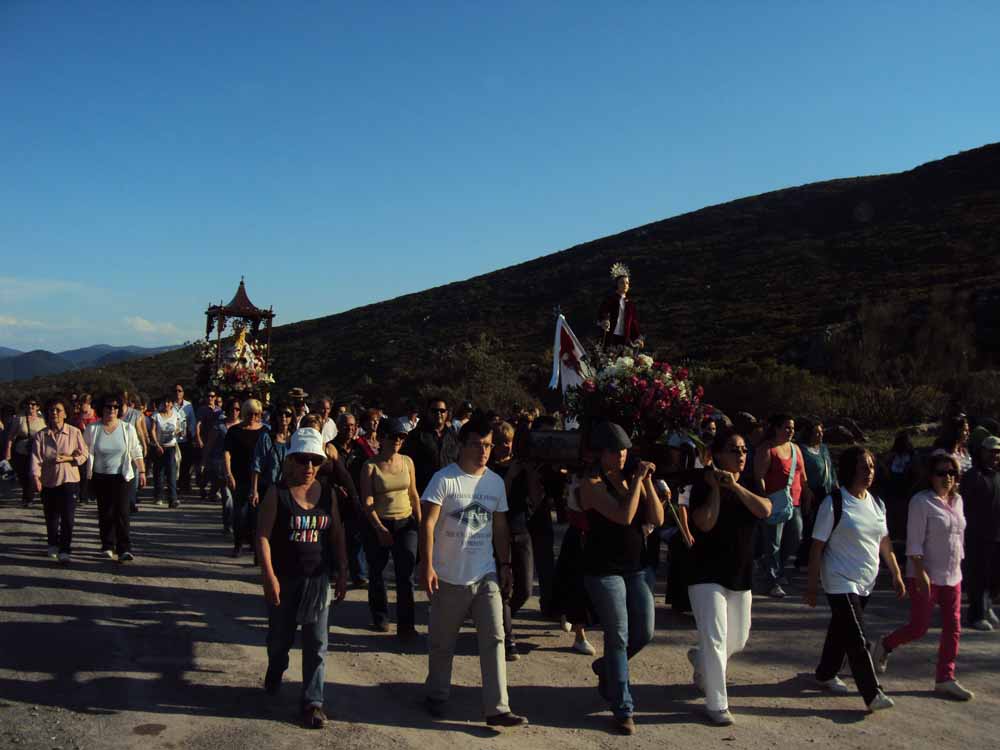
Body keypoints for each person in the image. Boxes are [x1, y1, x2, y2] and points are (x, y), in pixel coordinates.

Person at [420, 417, 528, 729]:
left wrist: (505, 565)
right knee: (443, 642)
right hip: (449, 575)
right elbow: (427, 524)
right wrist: (426, 565)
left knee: (495, 637)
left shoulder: (494, 482)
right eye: (477, 444)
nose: (484, 451)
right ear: (462, 445)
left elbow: (499, 525)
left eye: (488, 445)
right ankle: (437, 694)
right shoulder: (444, 479)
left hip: (485, 574)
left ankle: (497, 707)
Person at [255, 427, 348, 729]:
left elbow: (336, 534)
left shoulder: (328, 493)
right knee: (280, 640)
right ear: (291, 460)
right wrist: (269, 576)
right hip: (285, 579)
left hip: (318, 580)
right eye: (303, 459)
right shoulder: (277, 493)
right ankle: (276, 666)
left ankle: (312, 702)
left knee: (317, 643)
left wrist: (343, 571)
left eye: (315, 461)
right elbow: (263, 536)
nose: (309, 467)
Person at [805, 446, 905, 712]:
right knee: (858, 638)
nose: (869, 471)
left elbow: (884, 542)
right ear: (850, 469)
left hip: (865, 581)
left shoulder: (876, 503)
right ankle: (872, 693)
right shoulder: (834, 502)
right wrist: (812, 584)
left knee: (841, 630)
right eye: (863, 466)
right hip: (839, 579)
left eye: (871, 466)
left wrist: (895, 573)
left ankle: (825, 673)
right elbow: (816, 546)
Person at [579, 421, 663, 735]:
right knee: (618, 635)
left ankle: (607, 669)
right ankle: (623, 706)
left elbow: (656, 517)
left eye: (625, 450)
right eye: (616, 451)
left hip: (637, 566)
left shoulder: (633, 478)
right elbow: (623, 516)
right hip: (603, 570)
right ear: (601, 454)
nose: (623, 456)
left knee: (645, 632)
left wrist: (648, 484)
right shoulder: (591, 482)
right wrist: (638, 480)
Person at [871, 451, 973, 700]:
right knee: (919, 627)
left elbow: (959, 537)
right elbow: (914, 542)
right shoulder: (921, 502)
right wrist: (919, 572)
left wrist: (962, 566)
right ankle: (885, 645)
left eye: (952, 473)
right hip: (924, 574)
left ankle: (945, 678)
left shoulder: (957, 501)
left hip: (953, 575)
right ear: (930, 476)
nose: (947, 478)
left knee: (953, 628)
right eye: (941, 473)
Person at [687, 429, 772, 726]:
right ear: (718, 454)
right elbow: (704, 523)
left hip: (740, 572)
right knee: (716, 638)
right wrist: (716, 490)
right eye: (734, 450)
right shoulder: (702, 483)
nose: (741, 455)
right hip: (705, 572)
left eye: (744, 450)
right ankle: (717, 704)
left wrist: (735, 488)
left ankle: (702, 663)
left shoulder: (750, 482)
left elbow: (765, 510)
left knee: (738, 639)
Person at [359, 418, 421, 635]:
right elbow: (367, 501)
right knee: (377, 573)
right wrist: (379, 528)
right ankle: (380, 616)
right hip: (379, 523)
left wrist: (420, 524)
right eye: (394, 436)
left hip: (405, 523)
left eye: (402, 437)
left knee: (406, 575)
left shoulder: (408, 462)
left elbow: (413, 494)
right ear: (382, 438)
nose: (398, 441)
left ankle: (407, 625)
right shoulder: (370, 466)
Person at [492, 421, 537, 660]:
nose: (503, 448)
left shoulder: (520, 466)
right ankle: (508, 640)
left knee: (526, 590)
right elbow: (497, 500)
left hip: (521, 530)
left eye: (507, 443)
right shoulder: (489, 469)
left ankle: (499, 616)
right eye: (498, 443)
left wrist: (529, 473)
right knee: (504, 590)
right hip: (499, 533)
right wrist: (509, 477)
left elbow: (537, 499)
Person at [83, 394, 145, 562]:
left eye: (115, 407)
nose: (112, 410)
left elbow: (136, 450)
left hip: (122, 476)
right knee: (105, 512)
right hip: (100, 476)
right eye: (108, 407)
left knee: (123, 512)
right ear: (101, 409)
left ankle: (124, 548)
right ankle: (107, 545)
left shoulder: (127, 428)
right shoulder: (92, 429)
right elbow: (83, 450)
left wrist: (142, 471)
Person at [754, 414, 810, 598]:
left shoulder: (796, 449)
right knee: (773, 543)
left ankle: (773, 567)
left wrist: (808, 494)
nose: (790, 431)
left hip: (794, 503)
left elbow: (802, 476)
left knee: (795, 537)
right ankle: (773, 580)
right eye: (786, 427)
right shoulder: (767, 449)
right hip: (774, 503)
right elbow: (759, 476)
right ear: (776, 428)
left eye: (792, 428)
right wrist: (764, 500)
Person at [30, 398, 88, 563]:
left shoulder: (74, 432)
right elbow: (35, 459)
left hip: (69, 479)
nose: (54, 413)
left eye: (58, 410)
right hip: (49, 480)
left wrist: (69, 458)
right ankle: (52, 543)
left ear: (65, 413)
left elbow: (84, 455)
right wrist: (36, 477)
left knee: (68, 517)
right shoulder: (41, 435)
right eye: (51, 410)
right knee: (51, 516)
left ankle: (65, 549)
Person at [959, 434, 1000, 631]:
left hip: (996, 534)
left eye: (998, 452)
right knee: (979, 576)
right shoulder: (973, 476)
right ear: (982, 452)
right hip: (978, 535)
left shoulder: (997, 475)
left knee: (994, 576)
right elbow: (964, 506)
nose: (995, 456)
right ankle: (976, 614)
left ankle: (987, 606)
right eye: (991, 451)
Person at [330, 411, 369, 587]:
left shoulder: (360, 448)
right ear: (338, 427)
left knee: (356, 537)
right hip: (334, 498)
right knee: (333, 535)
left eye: (353, 425)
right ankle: (334, 570)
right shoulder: (330, 447)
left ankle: (359, 573)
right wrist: (335, 488)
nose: (350, 429)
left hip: (355, 498)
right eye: (346, 425)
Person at [225, 398, 266, 557]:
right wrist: (229, 473)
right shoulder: (234, 431)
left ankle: (256, 548)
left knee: (256, 515)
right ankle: (238, 543)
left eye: (256, 414)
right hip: (239, 477)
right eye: (250, 413)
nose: (253, 417)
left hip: (260, 478)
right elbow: (227, 453)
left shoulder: (264, 431)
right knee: (239, 513)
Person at [797, 420, 838, 568]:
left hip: (826, 491)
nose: (820, 435)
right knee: (810, 526)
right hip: (810, 493)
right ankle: (804, 559)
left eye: (822, 432)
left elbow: (831, 469)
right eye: (817, 432)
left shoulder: (824, 449)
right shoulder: (802, 450)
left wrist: (835, 485)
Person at [402, 397, 459, 494]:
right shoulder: (415, 436)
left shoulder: (454, 436)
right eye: (434, 410)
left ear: (447, 413)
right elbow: (406, 465)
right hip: (424, 491)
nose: (438, 413)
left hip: (451, 492)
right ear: (427, 412)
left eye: (442, 410)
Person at [203, 398, 239, 534]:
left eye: (237, 409)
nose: (235, 412)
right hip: (221, 464)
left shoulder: (242, 426)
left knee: (238, 497)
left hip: (239, 464)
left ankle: (238, 523)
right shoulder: (219, 426)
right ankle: (228, 524)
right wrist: (204, 462)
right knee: (227, 496)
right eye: (232, 409)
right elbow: (209, 444)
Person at [251, 403, 294, 510]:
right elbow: (257, 465)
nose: (284, 417)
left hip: (290, 490)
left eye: (287, 414)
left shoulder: (296, 438)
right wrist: (254, 490)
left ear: (292, 417)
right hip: (268, 488)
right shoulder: (266, 437)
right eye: (280, 414)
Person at [4, 396, 46, 507]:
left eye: (33, 404)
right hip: (22, 450)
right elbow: (11, 436)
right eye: (28, 404)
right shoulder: (19, 418)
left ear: (38, 406)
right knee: (24, 475)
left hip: (38, 450)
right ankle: (28, 498)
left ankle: (40, 495)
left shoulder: (43, 419)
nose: (30, 406)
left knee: (37, 474)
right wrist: (8, 452)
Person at [597, 262, 641, 348]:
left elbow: (633, 322)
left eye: (627, 283)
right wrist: (604, 319)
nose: (625, 285)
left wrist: (637, 337)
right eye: (622, 283)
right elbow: (602, 312)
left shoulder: (630, 303)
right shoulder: (610, 299)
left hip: (624, 338)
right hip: (610, 336)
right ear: (617, 284)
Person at [118, 390, 148, 513]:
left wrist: (145, 445)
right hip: (120, 449)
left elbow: (140, 431)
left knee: (133, 477)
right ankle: (124, 501)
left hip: (134, 448)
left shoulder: (136, 414)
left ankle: (131, 501)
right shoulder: (115, 413)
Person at [150, 395, 182, 508]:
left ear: (172, 404)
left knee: (171, 473)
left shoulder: (175, 415)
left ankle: (173, 498)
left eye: (169, 402)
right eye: (165, 402)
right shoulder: (156, 415)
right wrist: (157, 444)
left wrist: (178, 431)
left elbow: (178, 427)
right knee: (159, 472)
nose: (167, 405)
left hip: (171, 447)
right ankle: (158, 496)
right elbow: (153, 430)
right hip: (159, 447)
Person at [172, 385, 197, 492]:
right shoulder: (169, 404)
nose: (177, 392)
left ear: (183, 393)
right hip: (173, 440)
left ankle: (184, 485)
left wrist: (191, 433)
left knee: (186, 463)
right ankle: (173, 485)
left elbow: (192, 421)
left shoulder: (188, 406)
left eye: (180, 391)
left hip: (185, 439)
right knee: (174, 463)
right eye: (175, 391)